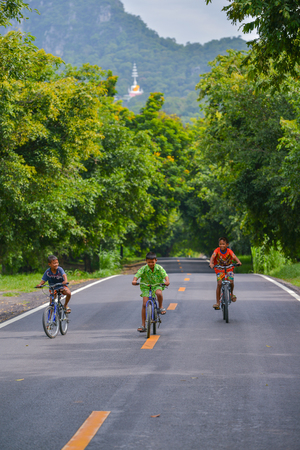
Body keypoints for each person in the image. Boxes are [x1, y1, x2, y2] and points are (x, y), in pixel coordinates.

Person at [132, 252, 170, 332]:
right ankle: (143, 325)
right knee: (144, 304)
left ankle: (160, 307)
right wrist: (134, 280)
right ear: (146, 261)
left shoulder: (159, 268)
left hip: (157, 285)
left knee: (159, 293)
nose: (151, 264)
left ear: (155, 260)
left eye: (152, 262)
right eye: (149, 262)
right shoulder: (144, 268)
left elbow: (165, 275)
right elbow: (137, 274)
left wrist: (167, 281)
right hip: (146, 286)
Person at [209, 237, 242, 310]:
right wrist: (211, 263)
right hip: (219, 269)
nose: (222, 246)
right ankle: (217, 303)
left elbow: (234, 257)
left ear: (227, 245)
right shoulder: (217, 250)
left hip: (229, 268)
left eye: (223, 244)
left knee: (231, 281)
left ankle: (232, 294)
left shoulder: (229, 251)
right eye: (220, 244)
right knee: (219, 283)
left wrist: (238, 262)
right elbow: (212, 257)